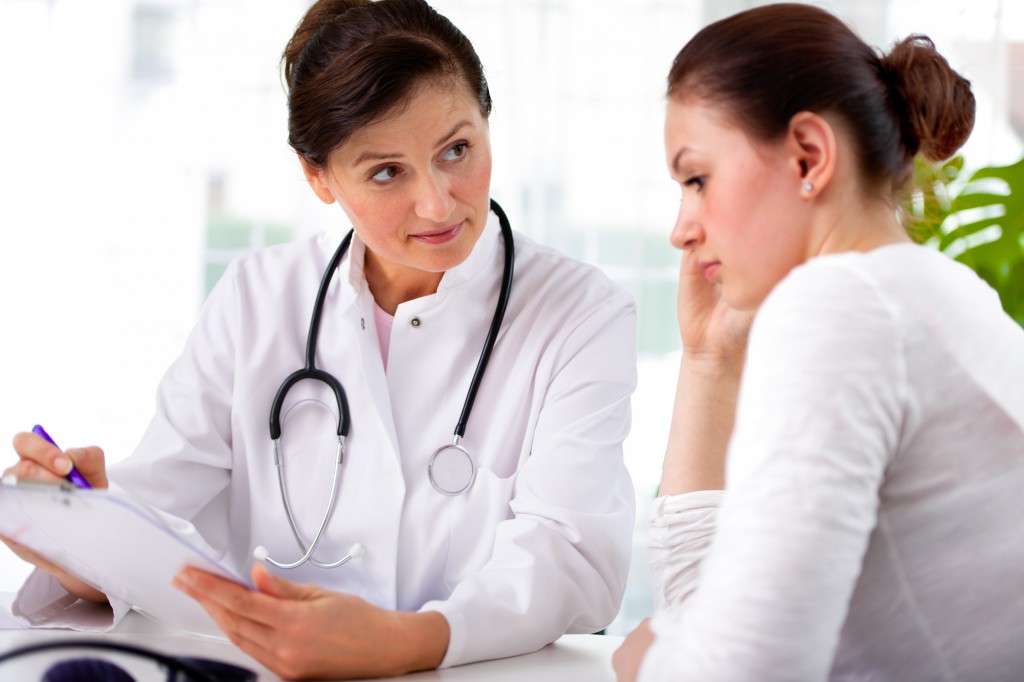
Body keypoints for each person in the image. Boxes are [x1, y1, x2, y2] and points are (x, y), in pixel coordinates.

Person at [1, 0, 638, 678]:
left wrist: (403, 642)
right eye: (387, 172)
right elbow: (161, 513)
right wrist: (87, 536)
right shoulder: (257, 298)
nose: (439, 203)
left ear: (488, 123)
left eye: (457, 150)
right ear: (319, 177)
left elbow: (571, 557)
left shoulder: (580, 313)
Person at [612, 4, 1024, 681]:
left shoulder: (843, 305)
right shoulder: (938, 293)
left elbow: (742, 669)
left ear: (810, 155)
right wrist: (710, 362)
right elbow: (715, 610)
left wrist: (653, 659)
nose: (681, 229)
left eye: (697, 178)